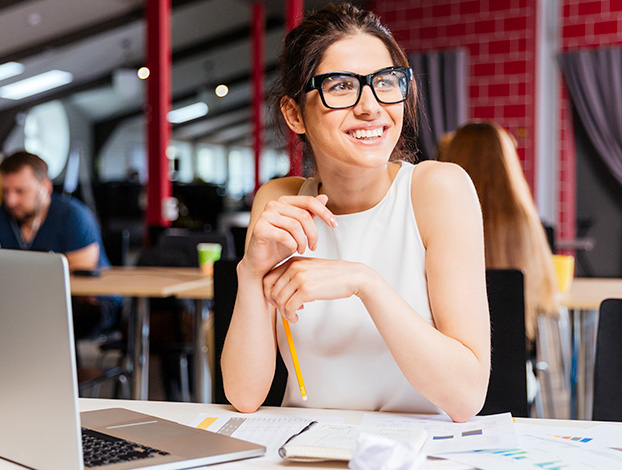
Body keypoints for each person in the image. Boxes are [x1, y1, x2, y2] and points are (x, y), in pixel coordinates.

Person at [221, 3, 490, 422]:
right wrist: (251, 273)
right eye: (342, 86)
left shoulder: (438, 190)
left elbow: (467, 396)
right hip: (303, 449)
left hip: (417, 455)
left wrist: (365, 282)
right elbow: (244, 395)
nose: (371, 106)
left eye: (385, 82)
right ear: (295, 114)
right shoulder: (280, 201)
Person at [438, 121, 558, 348]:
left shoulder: (438, 219)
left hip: (451, 365)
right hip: (518, 373)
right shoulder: (526, 222)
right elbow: (546, 297)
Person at [0, 150, 120, 340]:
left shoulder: (73, 216)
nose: (11, 200)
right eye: (6, 191)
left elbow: (80, 283)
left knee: (51, 314)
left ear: (45, 188)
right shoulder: (5, 217)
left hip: (91, 303)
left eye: (20, 191)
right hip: (27, 300)